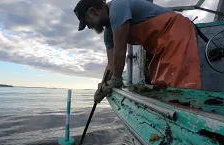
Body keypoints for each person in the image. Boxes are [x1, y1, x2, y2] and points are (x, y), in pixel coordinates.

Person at [73, 0, 202, 103]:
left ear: (93, 12)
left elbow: (120, 50)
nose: (89, 27)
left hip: (175, 30)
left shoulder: (117, 7)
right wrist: (102, 86)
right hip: (160, 45)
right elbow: (111, 63)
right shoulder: (108, 33)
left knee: (179, 83)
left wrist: (116, 79)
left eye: (86, 22)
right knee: (162, 84)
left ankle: (193, 118)